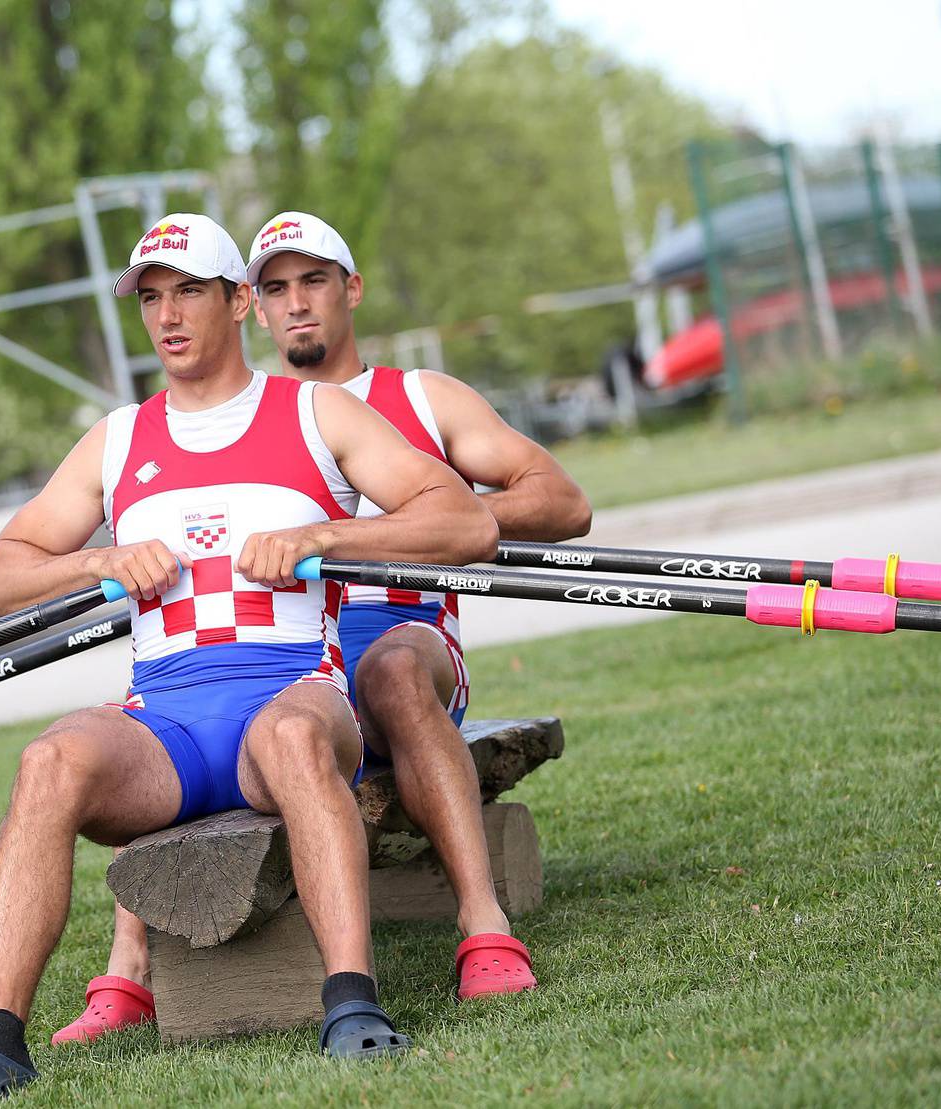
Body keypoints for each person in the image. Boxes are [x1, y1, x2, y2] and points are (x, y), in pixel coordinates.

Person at [0, 214, 497, 1100]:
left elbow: (465, 520)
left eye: (188, 291)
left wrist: (324, 532)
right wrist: (98, 560)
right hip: (168, 727)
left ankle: (352, 1005)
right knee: (48, 760)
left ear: (237, 302)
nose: (167, 315)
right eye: (150, 298)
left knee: (300, 742)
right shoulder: (115, 440)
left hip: (294, 696)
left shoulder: (314, 411)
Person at [51, 211, 594, 1047]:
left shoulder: (418, 398)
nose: (295, 303)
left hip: (403, 635)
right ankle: (127, 970)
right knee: (151, 705)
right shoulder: (251, 417)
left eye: (314, 281)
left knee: (390, 672)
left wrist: (392, 522)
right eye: (275, 287)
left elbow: (563, 503)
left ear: (352, 290)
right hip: (290, 663)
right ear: (250, 308)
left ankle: (484, 926)